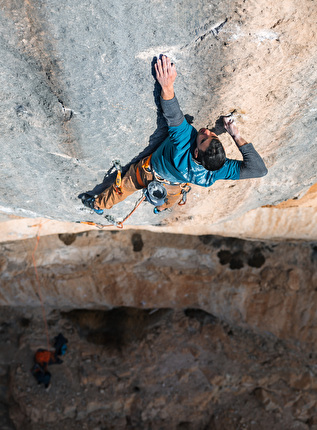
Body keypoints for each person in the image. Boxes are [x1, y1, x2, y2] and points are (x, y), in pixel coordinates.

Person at [83, 55, 267, 214]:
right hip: (173, 185)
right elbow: (259, 170)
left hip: (147, 172)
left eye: (203, 138)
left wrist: (167, 85)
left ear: (196, 152)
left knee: (123, 188)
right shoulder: (214, 173)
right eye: (213, 135)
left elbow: (173, 115)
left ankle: (97, 205)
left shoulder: (184, 142)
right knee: (171, 198)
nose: (206, 131)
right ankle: (161, 208)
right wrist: (237, 137)